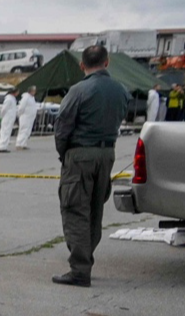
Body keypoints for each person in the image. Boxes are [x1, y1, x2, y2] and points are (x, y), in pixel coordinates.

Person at [52, 45, 130, 287]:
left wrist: (65, 153)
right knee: (95, 209)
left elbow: (63, 126)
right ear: (107, 63)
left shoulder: (78, 90)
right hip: (107, 154)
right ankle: (86, 259)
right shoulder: (121, 90)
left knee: (75, 209)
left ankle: (79, 270)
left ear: (82, 65)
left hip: (80, 153)